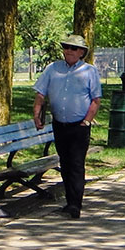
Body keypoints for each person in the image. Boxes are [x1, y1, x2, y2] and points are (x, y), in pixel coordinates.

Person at [33, 33, 102, 219]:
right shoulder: (53, 69)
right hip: (59, 124)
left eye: (73, 48)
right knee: (65, 163)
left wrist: (86, 120)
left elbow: (96, 100)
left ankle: (75, 205)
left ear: (81, 52)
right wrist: (36, 114)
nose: (68, 51)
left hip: (79, 126)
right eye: (66, 47)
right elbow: (40, 93)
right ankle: (69, 201)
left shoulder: (89, 71)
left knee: (77, 164)